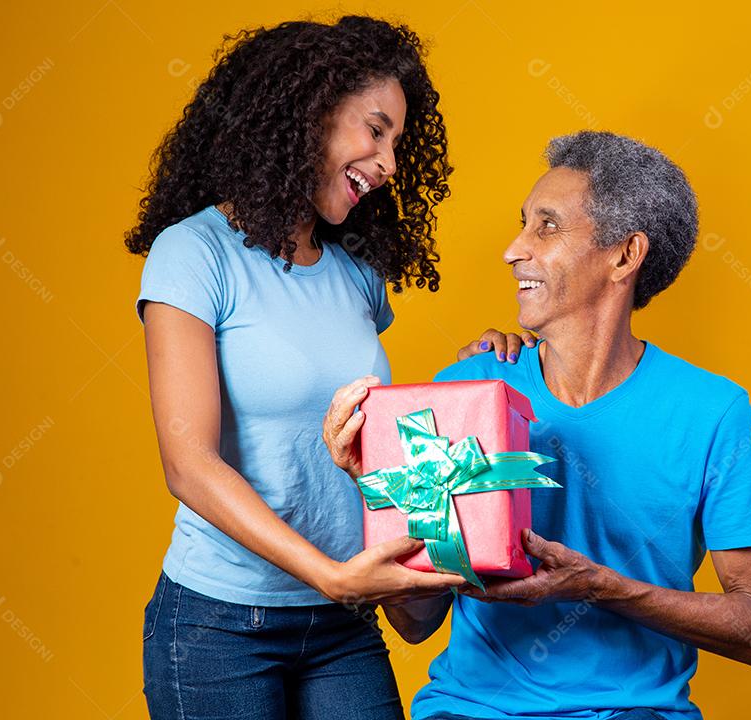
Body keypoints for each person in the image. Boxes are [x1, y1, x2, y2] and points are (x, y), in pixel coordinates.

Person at [127, 16, 530, 720]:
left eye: (398, 142)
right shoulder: (194, 254)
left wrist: (468, 389)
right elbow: (188, 462)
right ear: (307, 109)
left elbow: (358, 433)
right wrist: (331, 575)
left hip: (344, 622)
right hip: (221, 624)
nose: (390, 162)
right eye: (376, 130)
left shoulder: (356, 275)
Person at [324, 130, 751, 720]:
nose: (513, 249)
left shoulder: (712, 411)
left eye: (546, 226)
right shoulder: (465, 391)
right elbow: (415, 622)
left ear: (624, 255)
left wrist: (602, 587)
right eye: (523, 223)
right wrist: (380, 487)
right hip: (470, 710)